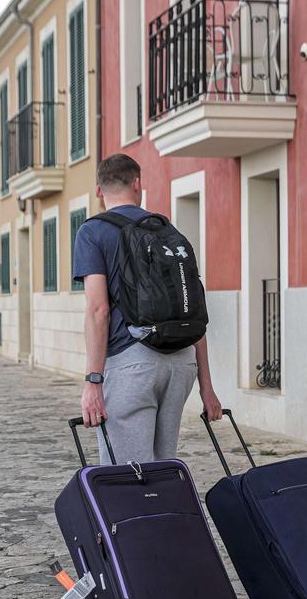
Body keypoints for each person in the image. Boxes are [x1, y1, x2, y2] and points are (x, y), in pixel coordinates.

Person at [73, 153, 222, 463]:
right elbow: (191, 307)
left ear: (99, 190)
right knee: (162, 467)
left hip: (131, 363)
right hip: (181, 364)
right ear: (137, 183)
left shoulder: (92, 232)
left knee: (128, 476)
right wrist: (206, 386)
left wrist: (93, 381)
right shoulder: (164, 230)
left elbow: (98, 310)